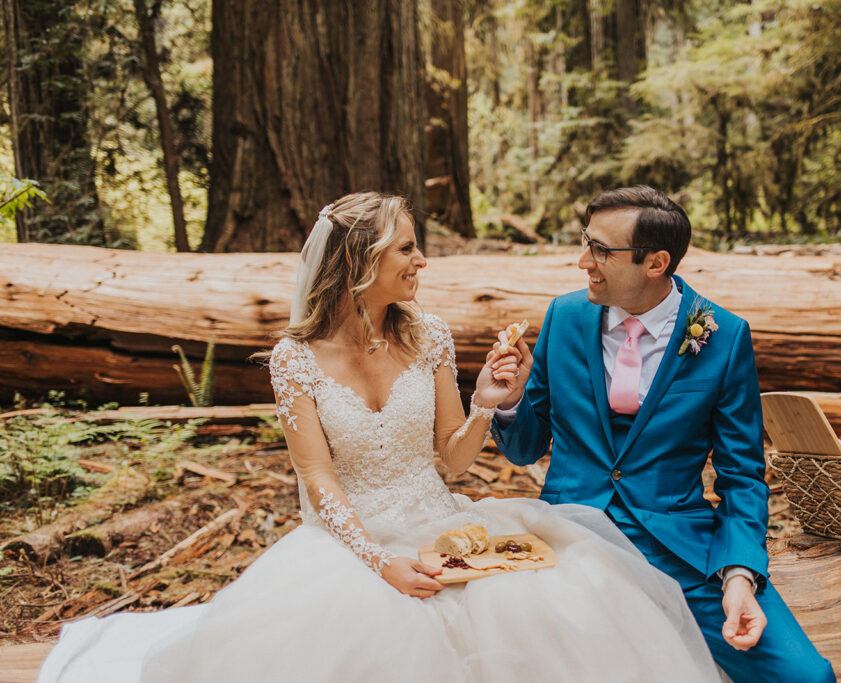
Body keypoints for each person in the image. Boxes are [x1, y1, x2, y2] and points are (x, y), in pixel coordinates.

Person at [39, 191, 720, 682]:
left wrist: (485, 402)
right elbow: (318, 477)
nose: (421, 259)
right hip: (350, 540)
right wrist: (380, 561)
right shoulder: (294, 358)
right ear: (361, 259)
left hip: (441, 520)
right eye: (406, 247)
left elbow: (451, 458)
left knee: (561, 597)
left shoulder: (430, 335)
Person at [491, 186, 836, 682]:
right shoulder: (563, 318)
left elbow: (743, 477)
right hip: (568, 536)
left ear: (656, 263)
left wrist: (739, 575)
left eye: (602, 251)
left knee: (806, 677)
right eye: (587, 241)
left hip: (678, 548)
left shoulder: (723, 335)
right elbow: (525, 448)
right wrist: (510, 401)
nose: (583, 260)